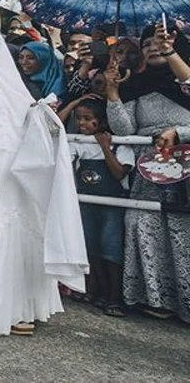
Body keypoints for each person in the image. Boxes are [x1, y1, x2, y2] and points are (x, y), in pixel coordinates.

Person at [0, 17, 71, 338]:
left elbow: (22, 119)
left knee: (21, 234)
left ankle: (23, 306)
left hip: (15, 168)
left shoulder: (8, 75)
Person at [105, 24, 190, 323]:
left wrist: (178, 132)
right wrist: (113, 91)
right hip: (149, 167)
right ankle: (154, 298)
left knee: (182, 230)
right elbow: (124, 129)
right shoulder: (137, 84)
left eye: (160, 42)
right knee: (142, 223)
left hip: (185, 166)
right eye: (148, 44)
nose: (152, 47)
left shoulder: (185, 80)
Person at [69, 99, 134, 318]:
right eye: (79, 118)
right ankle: (95, 289)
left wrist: (105, 147)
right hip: (87, 203)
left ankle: (114, 296)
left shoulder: (120, 144)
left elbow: (118, 173)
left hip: (111, 206)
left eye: (88, 118)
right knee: (91, 249)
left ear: (101, 120)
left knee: (111, 250)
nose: (82, 123)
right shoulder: (78, 142)